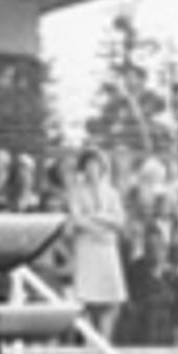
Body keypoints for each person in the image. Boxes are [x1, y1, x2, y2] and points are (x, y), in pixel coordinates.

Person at [65, 145, 129, 341]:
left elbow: (119, 220)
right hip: (87, 248)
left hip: (107, 248)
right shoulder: (76, 192)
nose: (93, 170)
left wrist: (95, 217)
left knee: (111, 298)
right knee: (86, 296)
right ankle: (90, 340)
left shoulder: (111, 193)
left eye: (96, 165)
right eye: (88, 165)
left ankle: (106, 338)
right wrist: (101, 224)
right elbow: (76, 219)